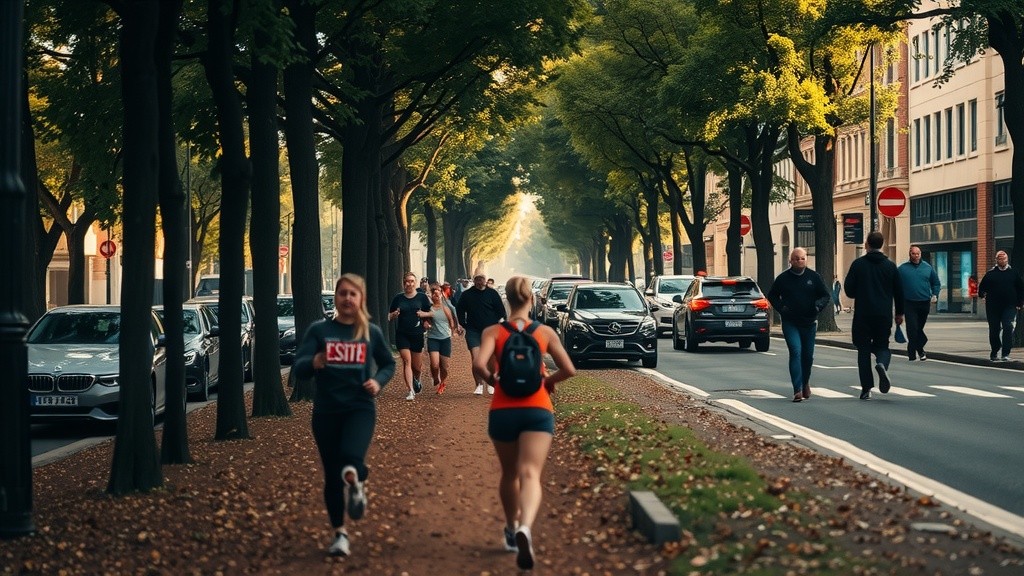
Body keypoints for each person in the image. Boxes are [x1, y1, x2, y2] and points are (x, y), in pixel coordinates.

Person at [472, 276, 576, 571]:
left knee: (509, 474)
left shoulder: (494, 331)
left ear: (507, 300)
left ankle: (509, 526)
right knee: (530, 473)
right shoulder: (544, 332)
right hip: (537, 408)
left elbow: (479, 365)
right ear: (532, 299)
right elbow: (569, 369)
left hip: (503, 409)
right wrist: (547, 382)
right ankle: (526, 528)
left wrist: (495, 381)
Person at [292, 273, 396, 558]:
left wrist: (378, 382)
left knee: (350, 460)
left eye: (353, 294)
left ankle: (357, 479)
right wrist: (313, 362)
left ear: (361, 299)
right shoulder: (319, 330)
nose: (347, 298)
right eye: (342, 293)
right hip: (326, 411)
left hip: (360, 407)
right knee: (332, 476)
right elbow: (298, 368)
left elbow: (388, 364)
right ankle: (340, 534)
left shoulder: (370, 332)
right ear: (335, 298)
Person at [844, 231, 905, 400]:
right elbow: (899, 292)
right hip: (883, 314)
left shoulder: (858, 264)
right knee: (883, 346)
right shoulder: (890, 266)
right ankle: (881, 364)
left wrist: (861, 290)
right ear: (882, 244)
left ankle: (866, 388)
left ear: (867, 244)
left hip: (863, 314)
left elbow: (849, 290)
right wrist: (899, 313)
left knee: (863, 350)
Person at [766, 248, 832, 402]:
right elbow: (773, 295)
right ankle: (797, 389)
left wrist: (817, 306)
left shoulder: (813, 277)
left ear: (806, 259)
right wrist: (782, 308)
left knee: (808, 357)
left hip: (809, 322)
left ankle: (805, 382)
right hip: (791, 322)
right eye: (796, 259)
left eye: (802, 258)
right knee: (796, 351)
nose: (799, 261)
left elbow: (825, 295)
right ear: (790, 261)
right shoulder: (783, 278)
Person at [456, 273, 506, 395]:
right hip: (473, 330)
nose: (479, 282)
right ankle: (478, 384)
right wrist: (463, 323)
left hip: (490, 331)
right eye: (477, 280)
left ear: (485, 280)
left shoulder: (492, 294)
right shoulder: (467, 295)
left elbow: (501, 310)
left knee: (491, 359)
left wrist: (499, 322)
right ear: (474, 281)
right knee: (476, 358)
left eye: (481, 279)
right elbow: (460, 309)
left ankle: (490, 382)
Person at [388, 272, 433, 400]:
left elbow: (430, 313)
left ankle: (417, 379)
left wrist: (425, 319)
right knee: (406, 361)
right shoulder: (398, 298)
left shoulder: (422, 297)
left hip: (417, 334)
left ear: (415, 282)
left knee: (416, 367)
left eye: (412, 281)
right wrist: (394, 315)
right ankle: (411, 391)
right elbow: (389, 316)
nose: (410, 283)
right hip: (402, 334)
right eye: (407, 281)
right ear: (404, 283)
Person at [977, 250, 1024, 362]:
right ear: (996, 260)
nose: (1002, 261)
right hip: (993, 306)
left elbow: (1021, 288)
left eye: (1004, 259)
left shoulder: (1013, 273)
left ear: (1007, 260)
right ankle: (994, 351)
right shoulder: (990, 274)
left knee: (1008, 326)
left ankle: (1005, 353)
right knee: (994, 329)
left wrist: (1020, 303)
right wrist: (982, 295)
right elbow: (982, 288)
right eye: (1000, 259)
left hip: (1010, 305)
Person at [897, 246, 941, 361]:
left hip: (924, 302)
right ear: (909, 254)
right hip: (909, 303)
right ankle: (912, 354)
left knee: (919, 328)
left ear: (920, 254)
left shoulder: (928, 268)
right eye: (913, 254)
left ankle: (920, 348)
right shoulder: (902, 269)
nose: (916, 256)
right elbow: (895, 284)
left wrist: (935, 294)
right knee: (912, 328)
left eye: (918, 254)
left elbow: (936, 283)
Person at [417, 282, 462, 393]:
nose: (436, 296)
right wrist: (426, 324)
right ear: (431, 296)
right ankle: (435, 377)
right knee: (435, 364)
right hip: (433, 338)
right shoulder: (429, 309)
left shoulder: (446, 308)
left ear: (441, 295)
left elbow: (452, 320)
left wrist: (453, 330)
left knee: (445, 366)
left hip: (445, 339)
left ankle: (442, 383)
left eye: (438, 294)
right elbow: (425, 320)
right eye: (434, 294)